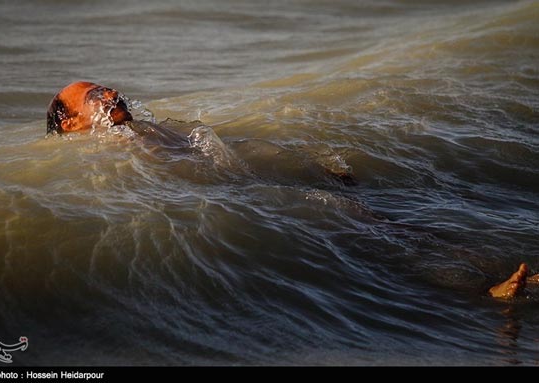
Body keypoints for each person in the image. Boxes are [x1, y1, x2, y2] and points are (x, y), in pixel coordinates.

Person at [47, 82, 538, 300]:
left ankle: (490, 270)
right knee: (367, 234)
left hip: (253, 185)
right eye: (95, 97)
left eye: (109, 90)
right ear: (69, 123)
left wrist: (312, 165)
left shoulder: (147, 130)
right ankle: (479, 291)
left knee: (386, 224)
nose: (110, 97)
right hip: (247, 203)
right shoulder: (103, 154)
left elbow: (231, 143)